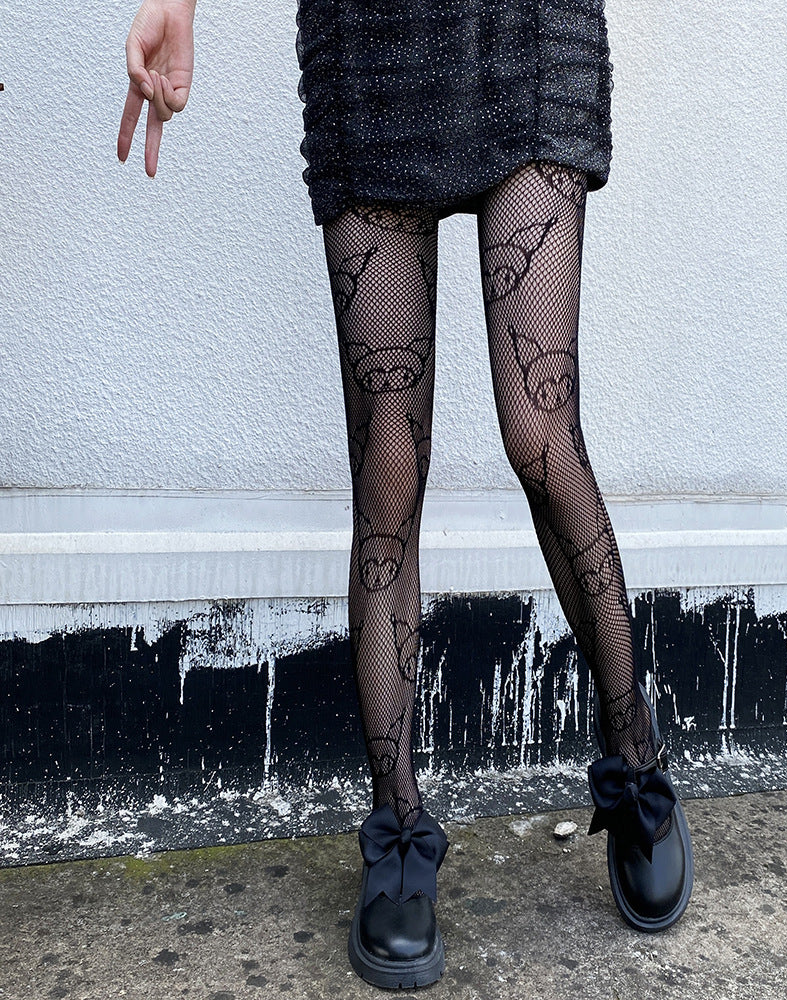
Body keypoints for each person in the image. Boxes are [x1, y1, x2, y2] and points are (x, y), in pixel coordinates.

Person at [118, 0, 694, 989]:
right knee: (389, 464)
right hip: (370, 45)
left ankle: (634, 759)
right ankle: (396, 824)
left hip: (523, 32)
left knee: (541, 434)